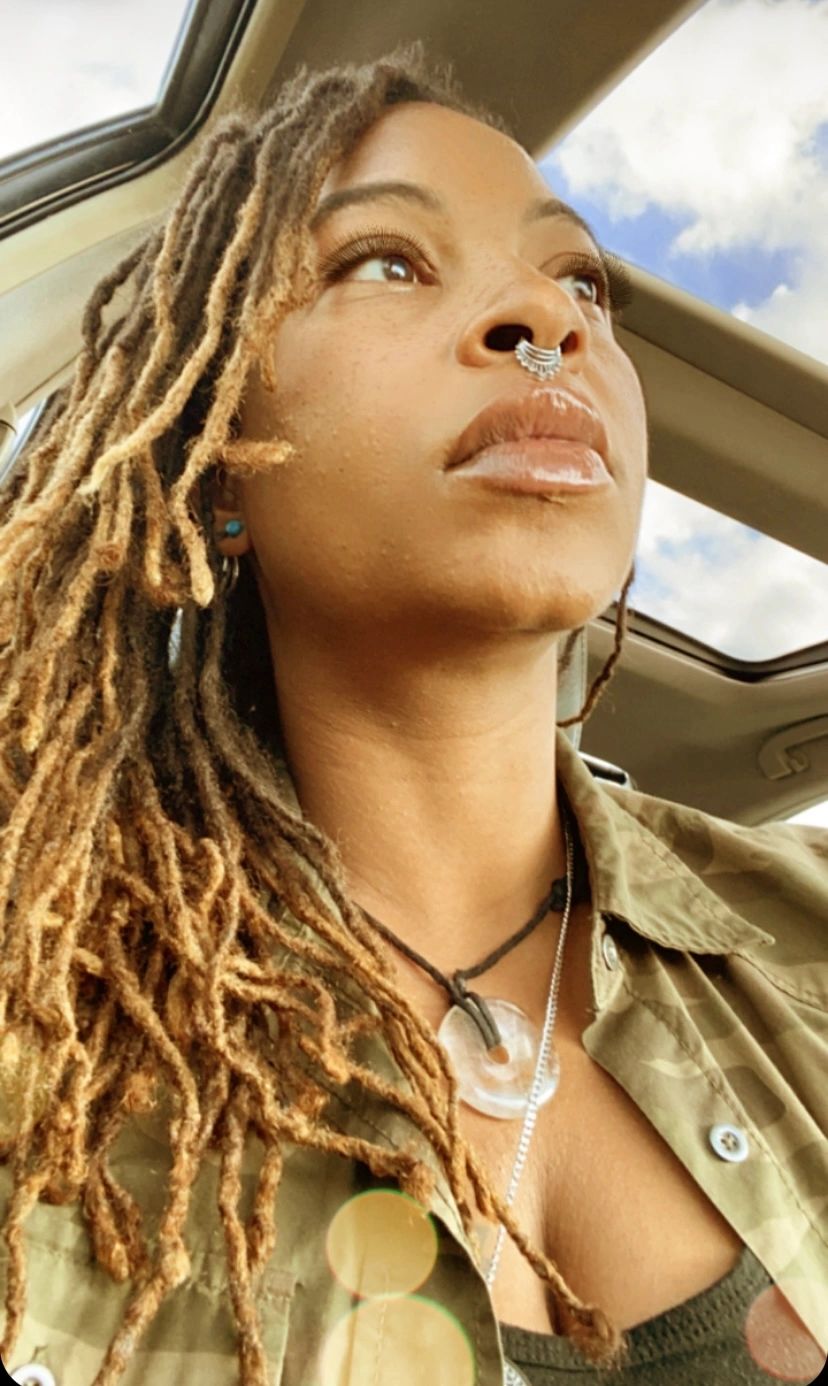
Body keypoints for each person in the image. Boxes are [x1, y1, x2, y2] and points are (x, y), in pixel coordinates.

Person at [0, 42, 826, 1386]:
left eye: (580, 280)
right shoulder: (39, 1034)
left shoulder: (810, 933)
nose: (546, 318)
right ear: (219, 465)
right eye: (385, 260)